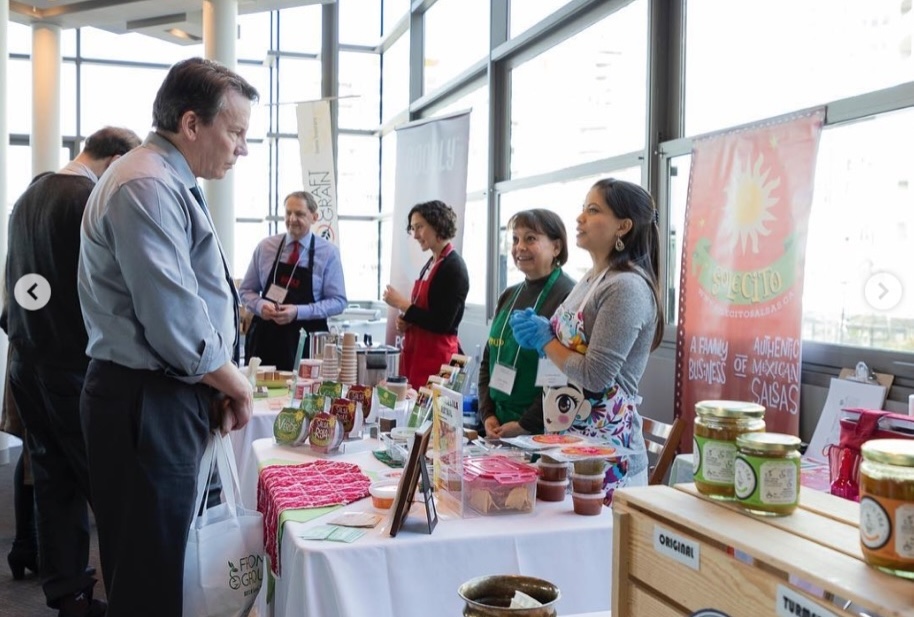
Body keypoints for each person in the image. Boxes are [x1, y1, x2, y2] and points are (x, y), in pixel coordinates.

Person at [77, 58, 257, 617]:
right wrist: (238, 384)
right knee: (150, 574)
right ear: (191, 124)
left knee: (162, 563)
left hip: (159, 396)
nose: (241, 149)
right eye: (236, 132)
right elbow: (175, 322)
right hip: (144, 400)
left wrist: (218, 381)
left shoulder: (163, 178)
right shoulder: (147, 184)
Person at [2, 126, 141, 616]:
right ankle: (134, 595)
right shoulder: (90, 197)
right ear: (116, 158)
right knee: (107, 483)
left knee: (52, 479)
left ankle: (71, 597)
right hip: (72, 365)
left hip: (24, 361)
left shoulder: (30, 194)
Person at [510, 179, 664, 505]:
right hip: (569, 446)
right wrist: (545, 333)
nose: (579, 218)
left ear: (623, 226)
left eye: (593, 210)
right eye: (583, 208)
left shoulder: (626, 288)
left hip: (608, 462)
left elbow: (596, 377)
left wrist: (545, 339)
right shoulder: (593, 277)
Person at [479, 209, 575, 439]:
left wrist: (525, 424)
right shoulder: (509, 294)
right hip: (498, 426)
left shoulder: (570, 297)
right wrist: (487, 414)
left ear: (556, 247)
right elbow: (488, 358)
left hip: (542, 431)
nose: (519, 247)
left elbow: (569, 375)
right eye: (515, 239)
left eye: (530, 238)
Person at [239, 190, 347, 370]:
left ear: (314, 217)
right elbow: (245, 291)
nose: (292, 219)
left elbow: (339, 301)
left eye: (299, 214)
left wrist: (298, 311)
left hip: (306, 344)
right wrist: (260, 306)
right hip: (265, 341)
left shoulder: (328, 253)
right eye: (288, 213)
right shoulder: (266, 247)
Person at [382, 200, 469, 389]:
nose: (415, 235)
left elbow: (442, 323)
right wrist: (408, 321)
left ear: (438, 224)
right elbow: (427, 311)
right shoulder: (431, 263)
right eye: (412, 229)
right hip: (418, 356)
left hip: (440, 359)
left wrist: (403, 304)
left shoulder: (454, 267)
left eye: (419, 227)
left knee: (433, 416)